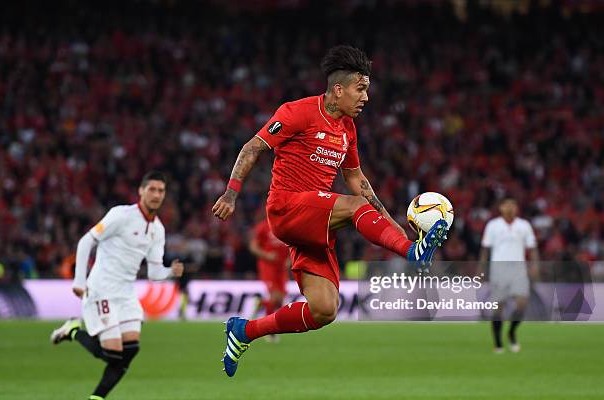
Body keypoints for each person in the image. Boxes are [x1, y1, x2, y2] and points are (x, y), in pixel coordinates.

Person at [212, 45, 449, 377]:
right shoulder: (297, 112)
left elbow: (357, 180)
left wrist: (395, 226)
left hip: (314, 224)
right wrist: (231, 193)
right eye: (360, 88)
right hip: (287, 208)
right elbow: (253, 147)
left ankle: (244, 331)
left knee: (325, 310)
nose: (366, 97)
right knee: (354, 207)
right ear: (338, 90)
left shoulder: (348, 129)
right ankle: (413, 253)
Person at [50, 171, 184, 400]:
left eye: (160, 191)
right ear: (141, 191)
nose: (156, 195)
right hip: (101, 289)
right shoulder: (121, 215)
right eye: (151, 189)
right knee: (113, 352)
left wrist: (170, 272)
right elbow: (85, 242)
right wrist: (79, 280)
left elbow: (154, 273)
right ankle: (72, 331)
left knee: (131, 349)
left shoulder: (158, 230)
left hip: (126, 293)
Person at [480, 198, 539, 353]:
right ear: (500, 208)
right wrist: (481, 269)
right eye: (506, 205)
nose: (510, 208)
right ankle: (498, 342)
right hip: (499, 269)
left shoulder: (524, 226)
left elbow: (532, 247)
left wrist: (535, 265)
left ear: (517, 208)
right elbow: (485, 249)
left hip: (518, 269)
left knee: (522, 303)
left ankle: (512, 332)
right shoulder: (493, 225)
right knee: (498, 307)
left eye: (513, 205)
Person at [248, 216, 290, 341]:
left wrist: (290, 259)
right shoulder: (263, 227)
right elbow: (253, 247)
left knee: (280, 301)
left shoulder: (286, 226)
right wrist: (266, 255)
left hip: (281, 268)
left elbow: (293, 245)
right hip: (268, 266)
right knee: (275, 297)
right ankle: (269, 331)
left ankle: (260, 303)